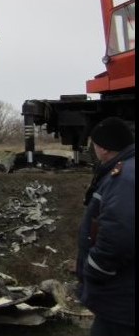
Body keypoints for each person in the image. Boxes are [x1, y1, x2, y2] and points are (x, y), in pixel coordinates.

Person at [77, 117, 135, 336]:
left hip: (122, 298)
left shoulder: (124, 178)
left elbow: (121, 234)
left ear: (102, 148)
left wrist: (94, 268)